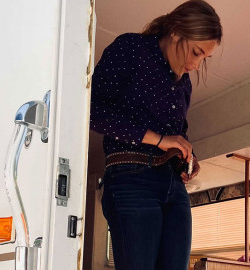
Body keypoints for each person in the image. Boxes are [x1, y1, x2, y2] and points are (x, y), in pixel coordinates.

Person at [90, 0, 222, 269]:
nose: (197, 65)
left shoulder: (183, 83)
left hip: (174, 186)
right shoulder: (130, 49)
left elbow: (177, 133)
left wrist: (186, 155)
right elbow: (93, 110)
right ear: (175, 30)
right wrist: (160, 140)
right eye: (196, 52)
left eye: (204, 58)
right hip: (131, 178)